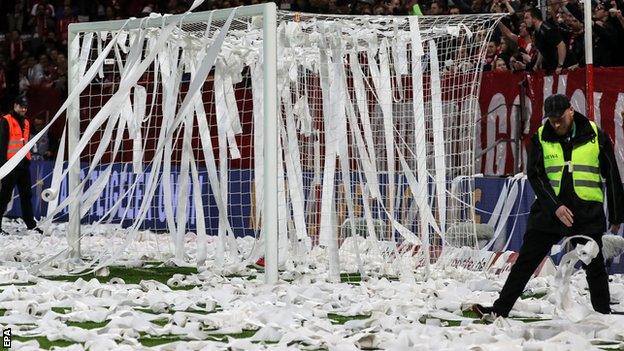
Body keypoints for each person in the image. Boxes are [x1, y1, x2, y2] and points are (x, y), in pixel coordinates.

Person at [474, 94, 624, 318]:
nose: (555, 124)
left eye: (560, 118)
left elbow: (611, 173)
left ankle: (603, 314)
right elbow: (536, 176)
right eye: (551, 119)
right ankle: (500, 309)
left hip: (585, 212)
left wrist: (616, 214)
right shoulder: (541, 137)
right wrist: (555, 206)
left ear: (571, 111)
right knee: (526, 262)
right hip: (549, 212)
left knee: (594, 264)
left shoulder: (595, 135)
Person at [0, 94, 42, 235]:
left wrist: (27, 160)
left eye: (25, 107)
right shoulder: (6, 120)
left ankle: (31, 224)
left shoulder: (26, 122)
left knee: (27, 195)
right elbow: (2, 145)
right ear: (15, 105)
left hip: (23, 164)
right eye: (21, 106)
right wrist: (3, 166)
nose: (23, 109)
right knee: (4, 197)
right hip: (10, 165)